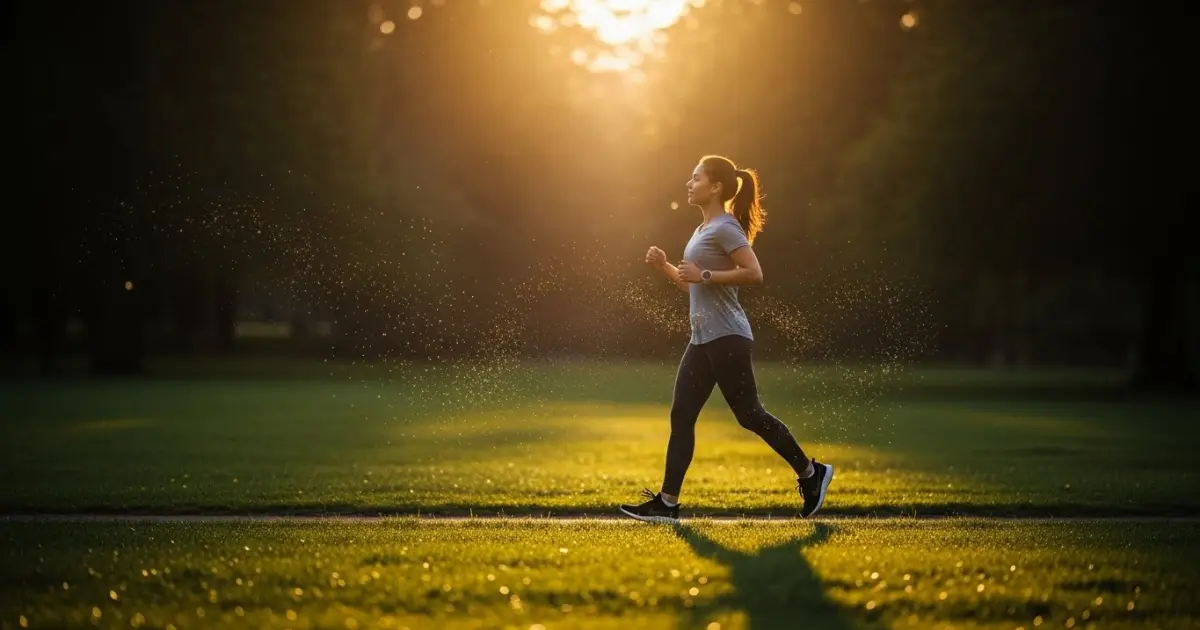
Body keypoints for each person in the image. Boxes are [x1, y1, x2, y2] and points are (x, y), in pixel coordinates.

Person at [618, 155, 833, 523]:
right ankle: (667, 503)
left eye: (696, 177)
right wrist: (666, 267)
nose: (689, 183)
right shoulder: (701, 230)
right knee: (682, 415)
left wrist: (704, 274)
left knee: (749, 415)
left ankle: (811, 474)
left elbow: (753, 273)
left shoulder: (725, 227)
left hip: (728, 336)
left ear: (716, 187)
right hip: (703, 339)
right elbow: (693, 284)